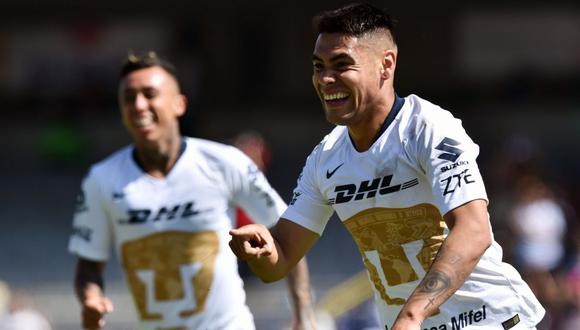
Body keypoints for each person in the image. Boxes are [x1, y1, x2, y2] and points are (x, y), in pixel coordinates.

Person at [229, 3, 545, 330]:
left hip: (489, 322)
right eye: (318, 66)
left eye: (341, 64)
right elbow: (281, 258)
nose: (325, 78)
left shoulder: (428, 128)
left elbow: (474, 231)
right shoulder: (325, 159)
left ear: (386, 64)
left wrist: (412, 315)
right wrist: (262, 251)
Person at [68, 52, 314, 330]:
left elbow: (289, 236)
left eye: (149, 94)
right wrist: (91, 298)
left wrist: (303, 317)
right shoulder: (101, 179)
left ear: (179, 104)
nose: (138, 105)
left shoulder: (225, 162)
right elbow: (89, 264)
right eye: (129, 97)